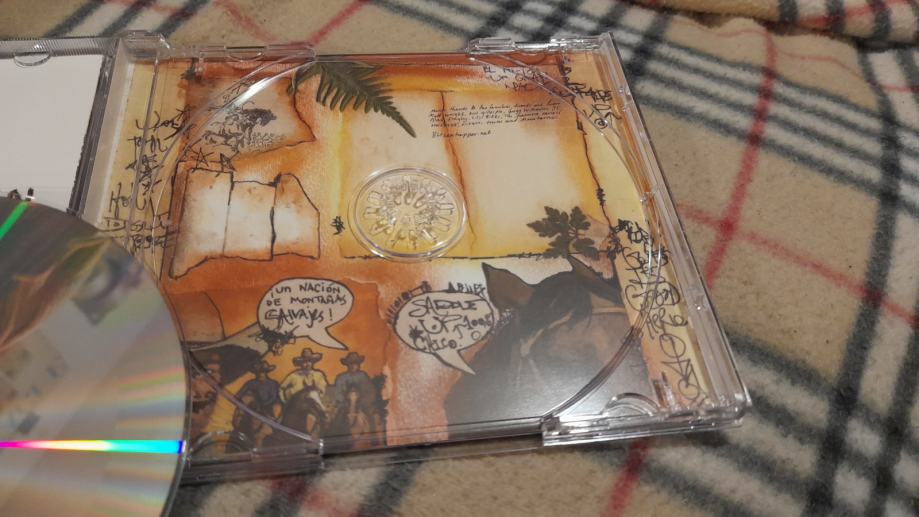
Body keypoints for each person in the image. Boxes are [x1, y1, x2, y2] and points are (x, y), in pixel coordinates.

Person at [232, 359, 280, 445]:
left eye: (263, 372)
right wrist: (248, 401)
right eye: (258, 372)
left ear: (266, 372)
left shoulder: (273, 384)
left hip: (268, 411)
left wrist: (261, 405)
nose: (260, 374)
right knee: (239, 422)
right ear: (255, 373)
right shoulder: (250, 383)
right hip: (251, 410)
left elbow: (273, 398)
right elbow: (238, 396)